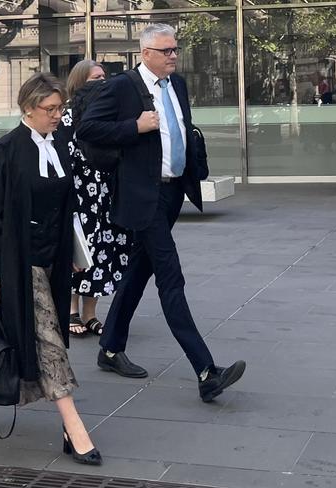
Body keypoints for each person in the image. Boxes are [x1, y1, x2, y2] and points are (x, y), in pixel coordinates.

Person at [76, 23, 246, 403]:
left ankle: (109, 347)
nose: (173, 55)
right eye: (166, 50)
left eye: (175, 49)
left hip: (172, 194)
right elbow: (88, 129)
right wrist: (133, 126)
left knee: (139, 269)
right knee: (171, 275)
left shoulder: (178, 85)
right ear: (146, 53)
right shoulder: (122, 87)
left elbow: (180, 131)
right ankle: (206, 370)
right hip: (143, 197)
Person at [0, 72, 102, 466]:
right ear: (28, 108)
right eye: (50, 109)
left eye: (61, 108)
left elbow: (63, 205)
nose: (58, 116)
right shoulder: (1, 153)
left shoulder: (58, 145)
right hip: (15, 263)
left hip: (53, 261)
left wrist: (73, 248)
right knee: (49, 342)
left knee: (14, 335)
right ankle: (75, 429)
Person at [63, 59, 133, 337]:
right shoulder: (66, 118)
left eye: (104, 77)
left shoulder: (108, 116)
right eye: (95, 78)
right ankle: (71, 310)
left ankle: (91, 312)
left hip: (105, 197)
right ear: (79, 82)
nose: (102, 82)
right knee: (78, 251)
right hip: (78, 196)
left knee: (102, 254)